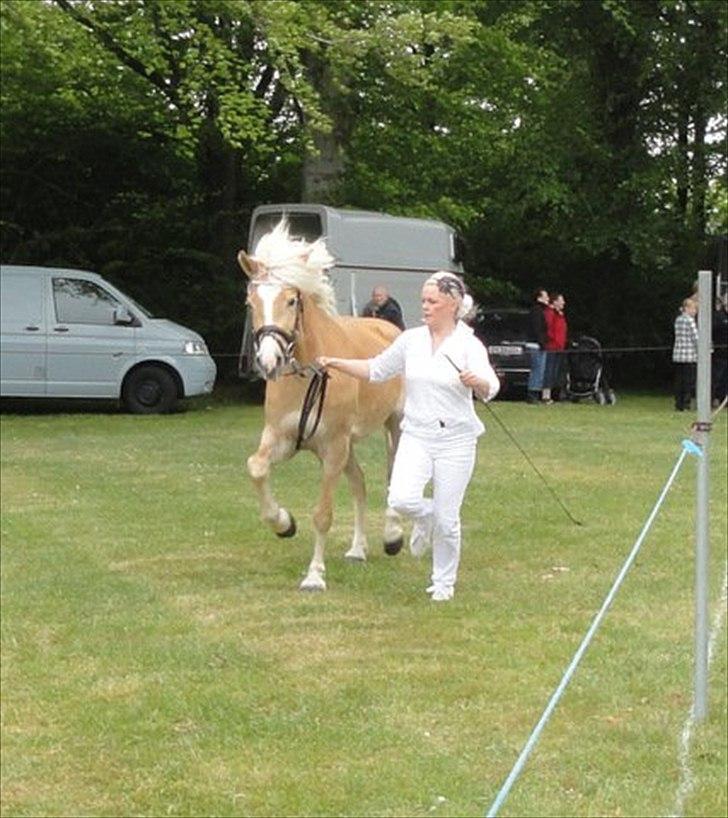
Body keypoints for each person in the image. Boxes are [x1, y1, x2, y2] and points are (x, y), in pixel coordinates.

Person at [319, 271, 500, 602]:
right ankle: (427, 517)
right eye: (423, 301)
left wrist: (479, 382)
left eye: (432, 301)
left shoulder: (468, 344)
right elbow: (376, 369)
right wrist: (335, 362)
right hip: (416, 434)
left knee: (449, 522)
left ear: (452, 304)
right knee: (401, 499)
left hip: (456, 438)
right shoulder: (411, 340)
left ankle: (443, 583)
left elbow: (491, 385)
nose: (425, 307)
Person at [672, 297, 699, 411]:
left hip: (678, 355)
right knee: (688, 382)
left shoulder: (678, 319)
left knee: (679, 381)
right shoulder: (690, 321)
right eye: (694, 308)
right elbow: (695, 338)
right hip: (689, 355)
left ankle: (678, 404)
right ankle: (686, 404)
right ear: (687, 308)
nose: (695, 311)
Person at [542, 293, 568, 403]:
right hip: (552, 346)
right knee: (549, 370)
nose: (563, 303)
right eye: (561, 300)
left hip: (559, 347)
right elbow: (548, 329)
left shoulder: (559, 315)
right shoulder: (550, 313)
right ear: (555, 302)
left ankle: (553, 395)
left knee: (555, 372)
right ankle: (546, 396)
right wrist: (553, 341)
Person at [526, 288, 549, 404]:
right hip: (535, 345)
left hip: (536, 343)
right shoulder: (537, 311)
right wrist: (542, 343)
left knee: (538, 369)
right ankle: (533, 393)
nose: (548, 299)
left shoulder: (538, 310)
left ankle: (534, 393)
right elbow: (537, 329)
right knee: (537, 369)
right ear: (539, 298)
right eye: (546, 296)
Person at [712, 294, 728, 407]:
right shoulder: (718, 316)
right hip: (720, 353)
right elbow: (713, 331)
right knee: (718, 377)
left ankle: (724, 400)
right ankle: (713, 398)